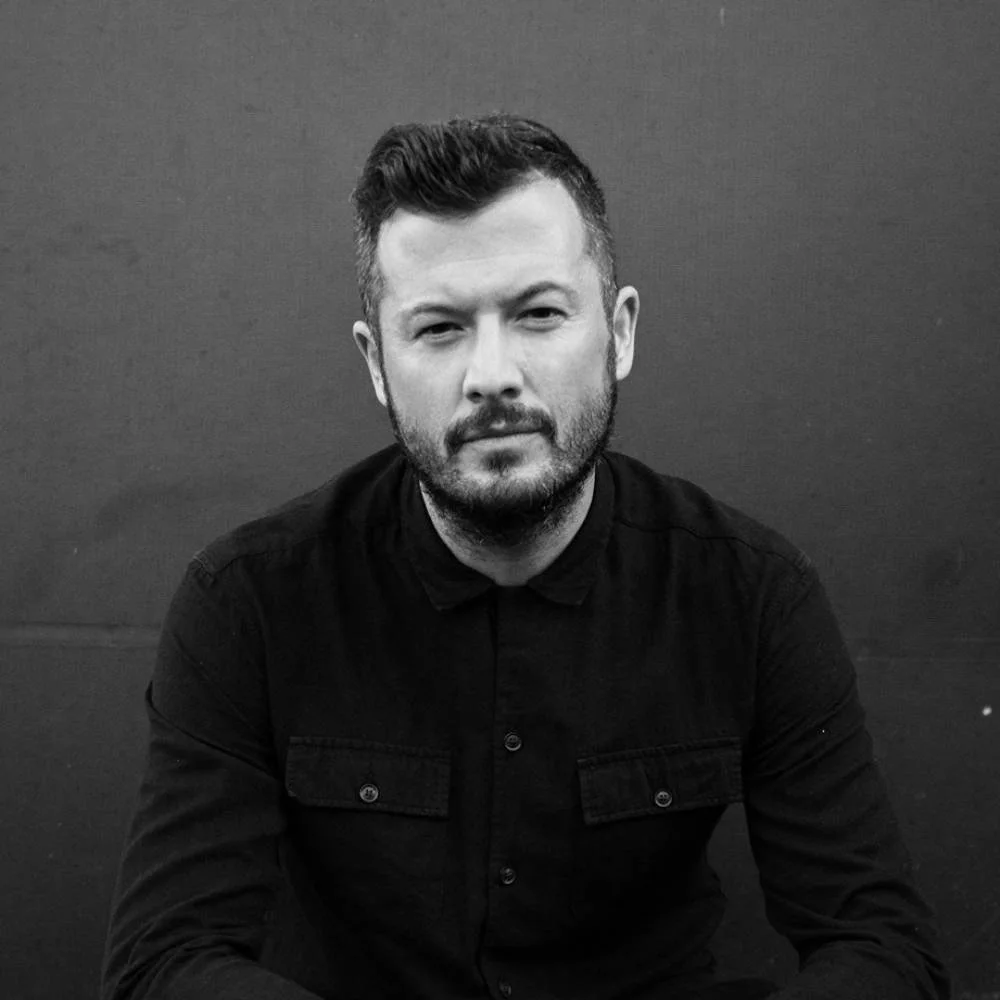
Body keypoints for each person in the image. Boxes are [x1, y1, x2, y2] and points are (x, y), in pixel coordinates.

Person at [101, 114, 950, 1000]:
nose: (492, 374)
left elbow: (883, 950)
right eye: (438, 329)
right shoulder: (250, 601)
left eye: (540, 314)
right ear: (377, 364)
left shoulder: (750, 593)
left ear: (618, 333)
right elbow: (163, 965)